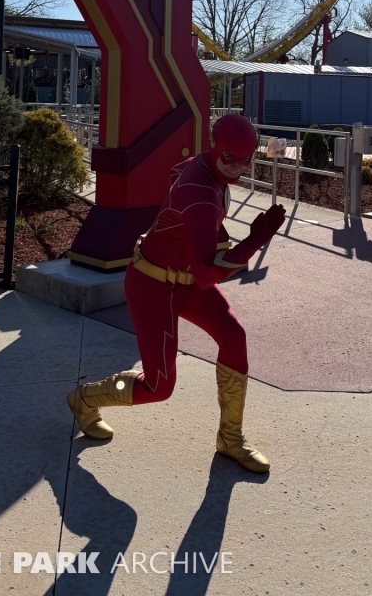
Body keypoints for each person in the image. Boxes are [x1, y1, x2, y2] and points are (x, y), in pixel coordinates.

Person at [67, 114, 286, 473]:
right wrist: (254, 241)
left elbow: (175, 173)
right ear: (215, 147)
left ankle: (230, 438)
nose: (238, 167)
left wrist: (204, 232)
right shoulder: (201, 194)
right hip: (153, 285)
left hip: (182, 279)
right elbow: (206, 274)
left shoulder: (202, 166)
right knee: (158, 386)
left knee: (234, 337)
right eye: (230, 157)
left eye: (247, 159)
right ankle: (84, 399)